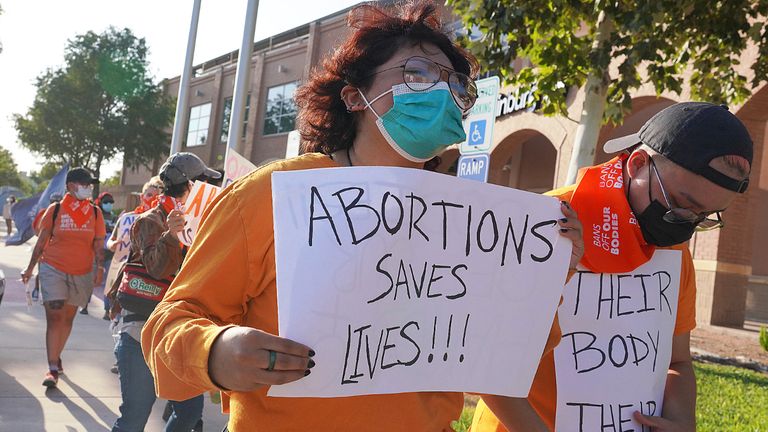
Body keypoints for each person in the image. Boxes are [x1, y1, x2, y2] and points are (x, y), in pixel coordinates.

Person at [141, 3, 583, 431]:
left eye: (456, 87)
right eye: (417, 74)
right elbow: (171, 321)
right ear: (354, 96)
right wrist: (216, 351)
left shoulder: (472, 223)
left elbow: (495, 355)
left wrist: (544, 279)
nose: (442, 93)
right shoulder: (272, 195)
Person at [471, 102, 753, 431]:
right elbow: (483, 358)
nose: (685, 225)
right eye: (679, 203)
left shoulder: (673, 254)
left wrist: (681, 418)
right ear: (637, 164)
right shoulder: (544, 222)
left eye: (703, 217)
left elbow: (677, 361)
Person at [109, 153, 220, 432]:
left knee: (190, 412)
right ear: (191, 184)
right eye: (204, 181)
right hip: (142, 330)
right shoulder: (150, 220)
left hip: (183, 330)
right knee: (134, 418)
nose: (209, 187)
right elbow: (156, 269)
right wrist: (171, 235)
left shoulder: (202, 221)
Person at [21, 168, 105, 387]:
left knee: (68, 319)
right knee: (55, 316)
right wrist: (30, 268)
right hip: (53, 268)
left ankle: (56, 354)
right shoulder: (55, 210)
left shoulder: (95, 212)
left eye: (90, 185)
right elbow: (41, 241)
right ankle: (51, 368)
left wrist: (99, 269)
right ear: (70, 186)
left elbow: (97, 243)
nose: (88, 188)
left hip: (82, 272)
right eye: (84, 184)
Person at [84, 192, 117, 317]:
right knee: (91, 280)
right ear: (101, 202)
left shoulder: (115, 218)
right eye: (106, 202)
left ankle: (106, 310)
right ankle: (85, 305)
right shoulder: (96, 215)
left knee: (109, 283)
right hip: (96, 253)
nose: (109, 205)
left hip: (109, 254)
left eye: (111, 202)